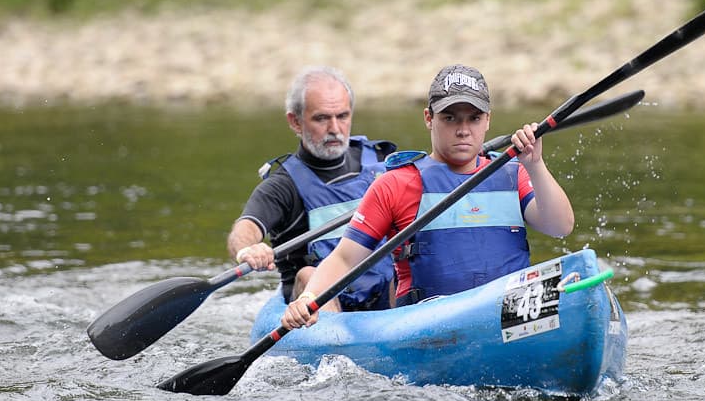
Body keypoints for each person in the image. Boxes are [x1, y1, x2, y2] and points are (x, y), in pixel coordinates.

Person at [282, 63, 574, 328]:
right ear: (429, 118)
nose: (463, 130)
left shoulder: (514, 172)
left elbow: (560, 227)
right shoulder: (395, 184)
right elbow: (344, 259)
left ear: (487, 121)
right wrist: (308, 296)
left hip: (510, 314)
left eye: (473, 118)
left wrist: (535, 165)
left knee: (581, 274)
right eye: (450, 118)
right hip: (431, 323)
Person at [227, 66, 397, 312]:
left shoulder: (382, 161)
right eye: (322, 118)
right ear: (295, 122)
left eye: (342, 116)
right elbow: (246, 228)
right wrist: (247, 249)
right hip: (315, 304)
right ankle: (336, 345)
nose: (335, 128)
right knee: (309, 274)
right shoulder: (282, 186)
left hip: (386, 297)